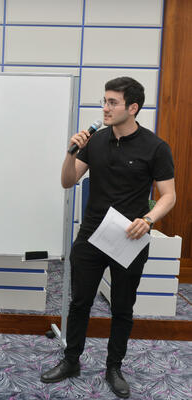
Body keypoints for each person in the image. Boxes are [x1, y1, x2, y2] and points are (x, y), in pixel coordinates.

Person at [40, 77, 176, 398]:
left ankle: (114, 367)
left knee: (122, 307)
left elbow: (169, 195)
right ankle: (71, 360)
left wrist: (148, 219)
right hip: (91, 234)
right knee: (80, 302)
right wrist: (70, 154)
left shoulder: (155, 147)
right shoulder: (95, 141)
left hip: (130, 236)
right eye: (104, 101)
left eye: (113, 102)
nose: (105, 108)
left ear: (133, 108)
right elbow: (67, 181)